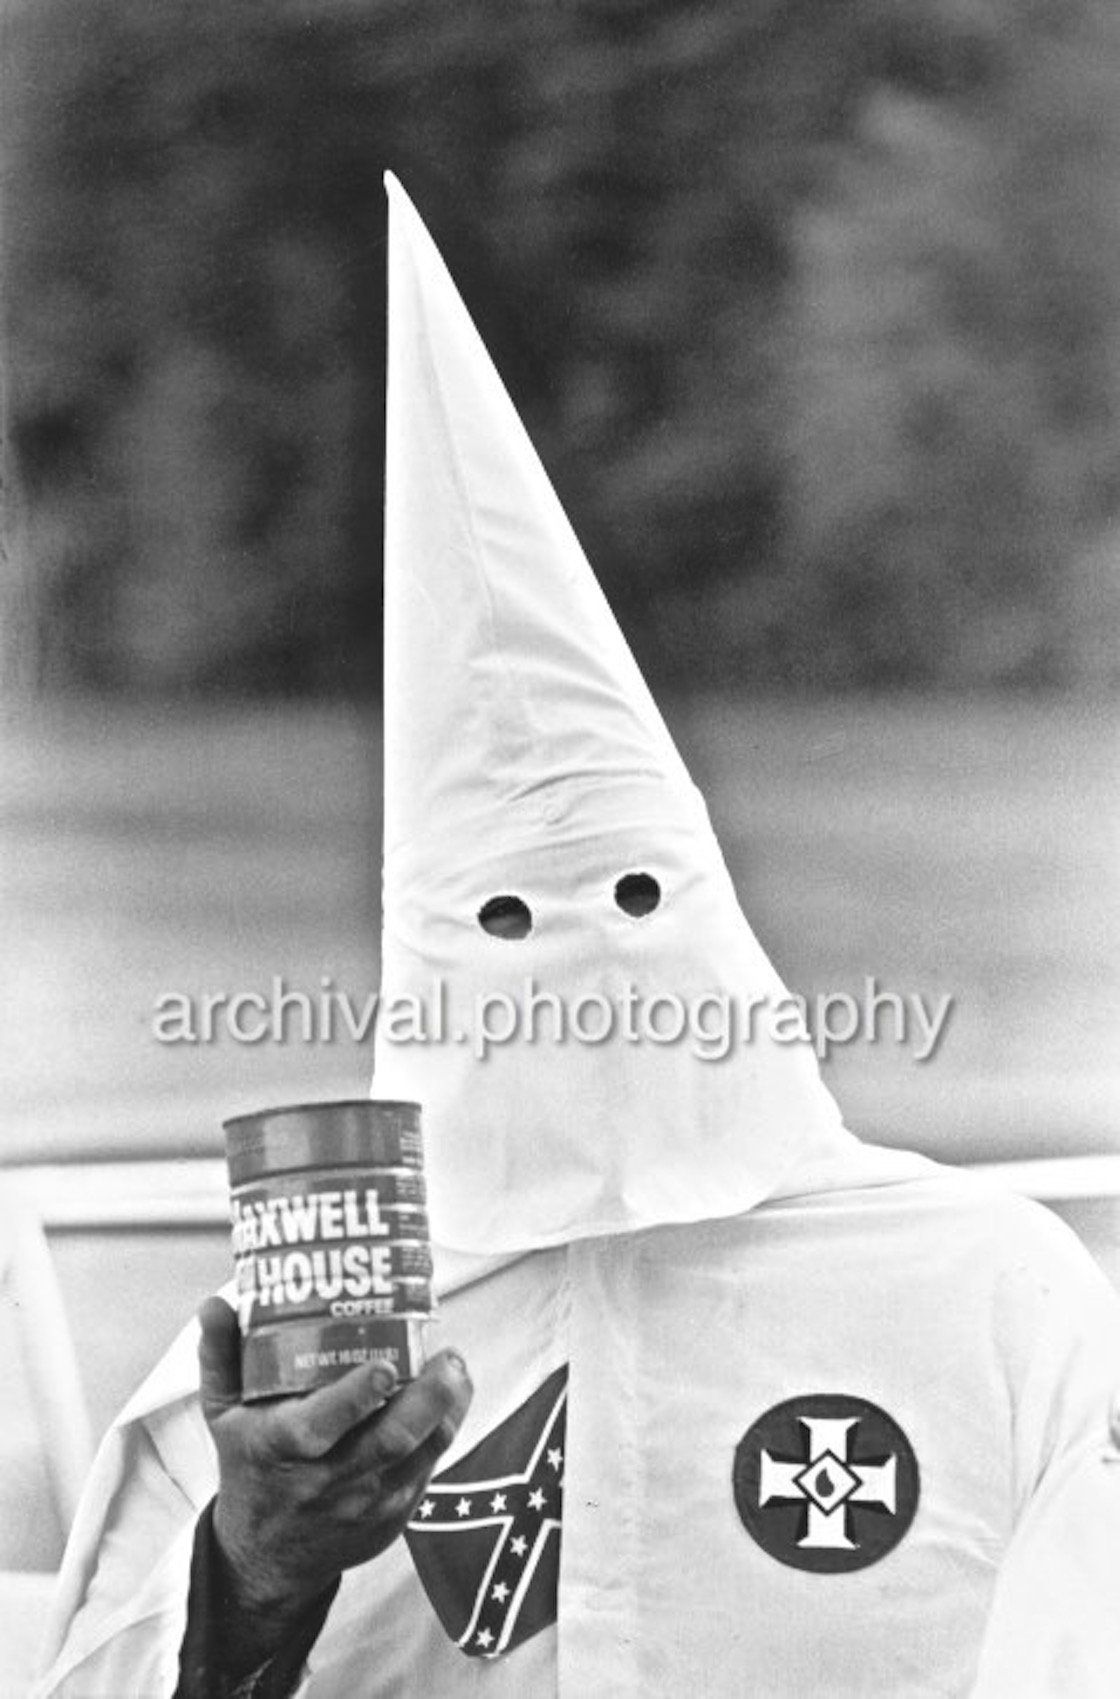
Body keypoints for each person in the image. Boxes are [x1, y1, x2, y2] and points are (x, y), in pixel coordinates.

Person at [35, 178, 1120, 1698]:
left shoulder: (995, 1298)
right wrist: (261, 1562)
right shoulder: (295, 1396)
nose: (582, 978)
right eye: (500, 926)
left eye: (633, 904)